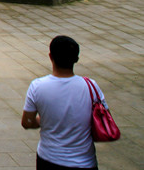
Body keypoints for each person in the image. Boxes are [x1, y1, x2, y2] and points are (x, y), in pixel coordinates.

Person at [21, 35, 107, 170]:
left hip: (49, 159)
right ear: (76, 59)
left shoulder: (38, 86)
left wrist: (42, 120)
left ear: (51, 56)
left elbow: (27, 122)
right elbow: (102, 118)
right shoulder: (91, 86)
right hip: (85, 161)